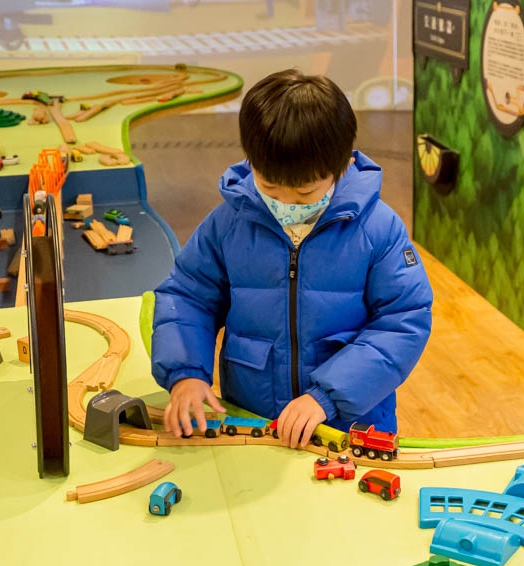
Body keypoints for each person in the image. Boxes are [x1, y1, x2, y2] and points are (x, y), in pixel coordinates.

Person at [150, 69, 432, 448]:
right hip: (253, 418)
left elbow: (403, 321)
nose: (285, 203)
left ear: (342, 166)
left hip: (349, 423)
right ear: (251, 163)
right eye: (269, 186)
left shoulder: (379, 230)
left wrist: (327, 396)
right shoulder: (229, 223)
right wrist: (185, 374)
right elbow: (188, 297)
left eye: (304, 192)